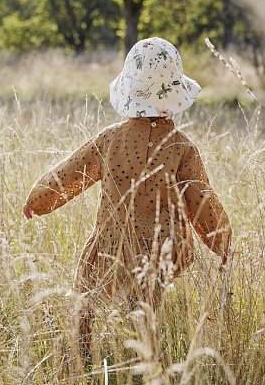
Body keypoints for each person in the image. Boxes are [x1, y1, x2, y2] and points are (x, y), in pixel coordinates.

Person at [23, 37, 232, 363]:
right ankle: (143, 362)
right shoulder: (181, 146)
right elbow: (201, 200)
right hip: (162, 246)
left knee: (87, 297)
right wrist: (221, 243)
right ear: (175, 92)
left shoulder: (110, 139)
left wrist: (38, 200)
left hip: (112, 238)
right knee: (144, 303)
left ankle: (82, 356)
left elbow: (71, 172)